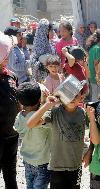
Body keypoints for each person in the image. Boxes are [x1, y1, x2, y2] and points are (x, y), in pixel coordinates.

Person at [27, 89, 87, 189]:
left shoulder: (82, 113)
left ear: (81, 97)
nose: (72, 98)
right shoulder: (54, 113)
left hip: (76, 166)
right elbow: (30, 124)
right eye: (68, 94)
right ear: (62, 96)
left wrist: (88, 152)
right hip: (57, 168)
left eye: (75, 95)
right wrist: (47, 105)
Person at [14, 82, 51, 189]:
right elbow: (51, 112)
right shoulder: (42, 117)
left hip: (27, 162)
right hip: (42, 164)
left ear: (20, 102)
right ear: (39, 100)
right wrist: (46, 102)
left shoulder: (19, 116)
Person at [0, 31, 19, 189]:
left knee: (11, 173)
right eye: (5, 54)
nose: (8, 57)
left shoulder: (11, 77)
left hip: (12, 135)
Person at [30, 18, 56, 83]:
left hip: (50, 75)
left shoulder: (49, 43)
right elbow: (34, 62)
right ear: (45, 31)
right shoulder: (39, 45)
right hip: (42, 78)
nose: (54, 32)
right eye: (51, 30)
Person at [86, 29, 100, 102]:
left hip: (92, 75)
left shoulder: (93, 47)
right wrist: (99, 77)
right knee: (96, 96)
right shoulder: (97, 48)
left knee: (94, 95)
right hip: (95, 76)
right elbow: (96, 64)